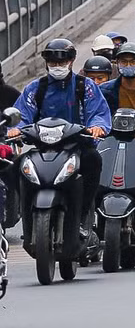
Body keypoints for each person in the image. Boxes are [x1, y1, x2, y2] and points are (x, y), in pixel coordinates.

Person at [6, 39, 110, 247]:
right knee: (15, 168)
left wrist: (97, 127)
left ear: (71, 61)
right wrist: (15, 129)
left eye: (61, 62)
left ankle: (81, 218)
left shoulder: (85, 87)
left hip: (78, 148)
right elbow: (22, 115)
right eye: (52, 63)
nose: (57, 66)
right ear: (46, 64)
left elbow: (98, 113)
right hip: (43, 149)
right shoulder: (35, 88)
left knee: (94, 161)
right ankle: (28, 219)